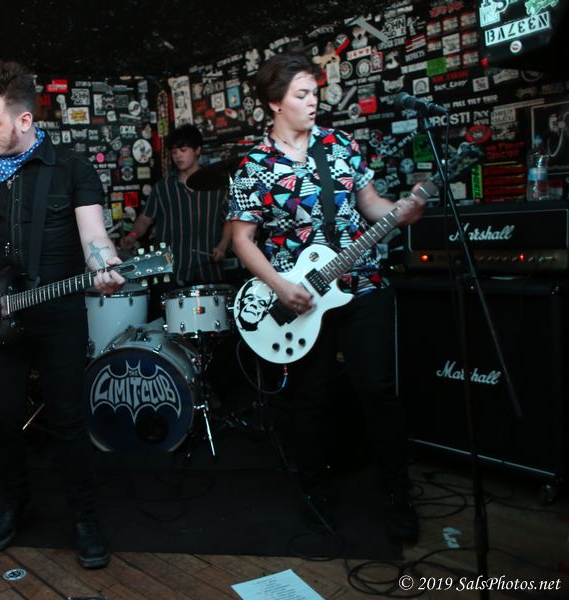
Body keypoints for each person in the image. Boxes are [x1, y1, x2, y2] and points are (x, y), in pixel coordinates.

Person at [228, 51, 428, 541]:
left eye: (315, 93)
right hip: (300, 298)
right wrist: (281, 287)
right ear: (275, 102)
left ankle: (397, 494)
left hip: (363, 284)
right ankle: (313, 494)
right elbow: (242, 240)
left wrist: (401, 210)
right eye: (302, 95)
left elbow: (371, 204)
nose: (313, 102)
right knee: (310, 399)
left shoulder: (340, 145)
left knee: (378, 391)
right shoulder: (255, 165)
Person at [0, 59, 124, 569]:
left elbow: (94, 237)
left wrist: (105, 265)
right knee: (3, 421)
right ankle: (13, 502)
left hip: (58, 313)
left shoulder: (72, 168)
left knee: (69, 420)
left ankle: (84, 517)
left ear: (25, 120)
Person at [121, 124, 233, 318]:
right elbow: (145, 219)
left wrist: (222, 246)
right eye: (174, 152)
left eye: (183, 150)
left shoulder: (217, 186)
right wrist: (132, 235)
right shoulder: (163, 187)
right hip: (170, 274)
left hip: (208, 273)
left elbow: (231, 219)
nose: (178, 156)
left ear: (197, 150)